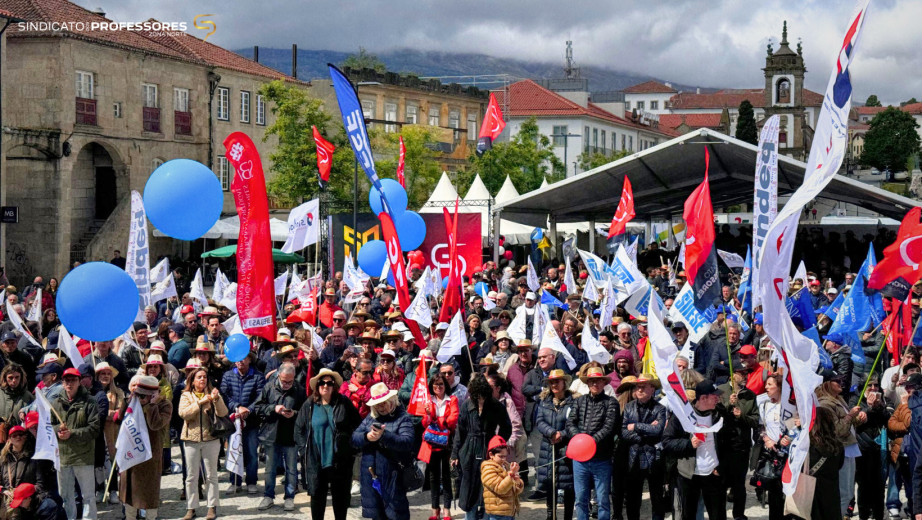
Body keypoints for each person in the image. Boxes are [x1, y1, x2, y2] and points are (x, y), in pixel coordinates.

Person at [295, 367, 361, 520]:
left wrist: (350, 445)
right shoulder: (309, 404)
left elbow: (358, 424)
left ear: (334, 386)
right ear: (317, 386)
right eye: (322, 383)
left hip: (340, 459)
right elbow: (299, 428)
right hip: (316, 458)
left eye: (329, 383)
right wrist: (304, 449)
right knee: (318, 497)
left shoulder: (343, 402)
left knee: (341, 499)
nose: (326, 386)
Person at [662, 379, 728, 520]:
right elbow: (667, 442)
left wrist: (722, 466)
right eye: (714, 396)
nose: (718, 398)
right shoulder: (682, 416)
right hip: (689, 475)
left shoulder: (720, 414)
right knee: (688, 514)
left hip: (713, 473)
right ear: (703, 398)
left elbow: (730, 442)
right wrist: (688, 444)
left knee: (718, 515)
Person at [453, 373, 513, 520]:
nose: (480, 398)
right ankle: (470, 517)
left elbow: (507, 427)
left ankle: (487, 517)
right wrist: (455, 454)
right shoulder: (467, 405)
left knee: (489, 485)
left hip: (488, 448)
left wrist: (497, 444)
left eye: (482, 394)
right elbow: (460, 431)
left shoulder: (496, 405)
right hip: (469, 449)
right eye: (477, 394)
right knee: (469, 487)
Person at [352, 382, 415, 520]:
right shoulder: (370, 418)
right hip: (371, 478)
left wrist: (384, 436)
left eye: (383, 402)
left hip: (393, 477)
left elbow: (407, 442)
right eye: (377, 403)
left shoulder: (403, 418)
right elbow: (354, 438)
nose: (380, 406)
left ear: (391, 400)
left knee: (396, 514)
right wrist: (366, 437)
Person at [566, 366, 621, 520]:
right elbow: (570, 423)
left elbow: (609, 427)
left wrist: (588, 442)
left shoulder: (611, 403)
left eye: (598, 381)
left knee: (603, 500)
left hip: (602, 458)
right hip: (580, 460)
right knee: (581, 499)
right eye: (592, 381)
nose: (595, 384)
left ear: (604, 383)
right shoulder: (579, 401)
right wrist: (579, 439)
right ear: (587, 383)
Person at [254, 362, 306, 511]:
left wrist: (294, 413)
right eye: (284, 381)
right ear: (278, 376)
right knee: (270, 469)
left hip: (290, 436)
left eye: (290, 381)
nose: (287, 384)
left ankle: (289, 497)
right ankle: (268, 496)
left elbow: (305, 412)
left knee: (291, 469)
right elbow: (257, 408)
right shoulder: (269, 387)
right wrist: (273, 408)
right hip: (271, 435)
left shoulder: (299, 390)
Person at [118, 375, 173, 520]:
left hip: (149, 457)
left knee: (149, 496)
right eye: (140, 394)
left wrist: (151, 405)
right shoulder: (133, 403)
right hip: (131, 454)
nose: (142, 398)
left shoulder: (165, 405)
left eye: (145, 395)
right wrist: (127, 401)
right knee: (129, 495)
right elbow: (119, 419)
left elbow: (155, 424)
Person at [178, 365, 229, 520]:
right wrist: (199, 403)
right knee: (191, 476)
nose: (202, 379)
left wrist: (217, 399)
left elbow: (223, 413)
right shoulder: (186, 395)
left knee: (211, 475)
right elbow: (184, 414)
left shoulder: (212, 395)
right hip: (191, 440)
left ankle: (212, 507)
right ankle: (191, 507)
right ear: (192, 381)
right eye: (199, 377)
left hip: (211, 439)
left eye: (204, 377)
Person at [51, 367, 101, 520]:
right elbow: (49, 427)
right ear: (62, 382)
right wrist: (58, 430)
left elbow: (94, 429)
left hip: (83, 456)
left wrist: (71, 433)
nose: (70, 383)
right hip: (63, 457)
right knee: (66, 496)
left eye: (73, 380)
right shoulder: (56, 403)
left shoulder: (90, 401)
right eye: (67, 380)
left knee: (88, 496)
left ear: (79, 382)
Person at [816, 369, 862, 518]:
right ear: (827, 384)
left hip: (849, 449)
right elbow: (836, 431)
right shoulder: (825, 403)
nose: (841, 382)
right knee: (843, 493)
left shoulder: (839, 399)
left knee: (848, 492)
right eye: (837, 380)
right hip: (840, 451)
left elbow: (846, 425)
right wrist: (850, 416)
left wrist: (857, 419)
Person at [219, 349, 266, 495]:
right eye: (237, 358)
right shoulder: (227, 375)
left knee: (252, 452)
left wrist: (248, 410)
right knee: (234, 451)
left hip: (251, 422)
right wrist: (237, 408)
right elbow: (224, 395)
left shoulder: (258, 377)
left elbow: (260, 397)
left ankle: (251, 482)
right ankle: (234, 482)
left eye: (243, 358)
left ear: (250, 359)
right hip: (233, 421)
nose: (240, 361)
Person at [621, 374, 667, 520]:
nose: (639, 390)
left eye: (643, 387)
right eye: (637, 387)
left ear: (652, 389)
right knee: (633, 498)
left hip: (654, 456)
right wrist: (644, 433)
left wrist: (635, 426)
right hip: (633, 456)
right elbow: (623, 432)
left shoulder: (659, 408)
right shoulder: (628, 407)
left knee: (657, 496)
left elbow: (658, 431)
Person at [718, 364, 759, 520]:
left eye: (746, 372)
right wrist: (728, 404)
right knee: (721, 484)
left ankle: (739, 515)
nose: (745, 375)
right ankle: (720, 515)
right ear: (732, 375)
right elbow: (716, 414)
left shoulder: (750, 395)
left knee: (739, 484)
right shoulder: (721, 390)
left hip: (741, 445)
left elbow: (755, 420)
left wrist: (741, 416)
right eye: (741, 373)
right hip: (723, 443)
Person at [419, 373, 460, 520]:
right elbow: (424, 422)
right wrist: (431, 416)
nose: (438, 387)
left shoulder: (452, 399)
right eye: (435, 385)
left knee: (447, 475)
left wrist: (437, 420)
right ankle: (434, 509)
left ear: (446, 385)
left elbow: (453, 419)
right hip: (432, 443)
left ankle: (447, 509)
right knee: (433, 476)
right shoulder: (428, 401)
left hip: (447, 442)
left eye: (441, 384)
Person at [535, 369, 575, 520]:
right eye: (551, 382)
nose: (554, 385)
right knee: (551, 484)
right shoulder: (544, 401)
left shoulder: (573, 401)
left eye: (557, 381)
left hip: (567, 448)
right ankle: (550, 515)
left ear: (564, 382)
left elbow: (575, 423)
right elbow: (539, 421)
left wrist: (562, 434)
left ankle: (568, 517)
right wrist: (552, 432)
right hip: (548, 447)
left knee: (568, 485)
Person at [850, 376, 889, 520]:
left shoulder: (882, 400)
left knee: (879, 487)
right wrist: (866, 411)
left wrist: (877, 407)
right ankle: (863, 516)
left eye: (876, 385)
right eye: (870, 385)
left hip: (879, 449)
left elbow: (887, 418)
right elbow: (851, 418)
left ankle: (878, 515)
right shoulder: (856, 399)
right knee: (864, 487)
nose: (873, 388)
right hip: (862, 449)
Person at [0, 426, 62, 517]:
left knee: (50, 505)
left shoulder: (34, 458)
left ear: (25, 437)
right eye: (15, 435)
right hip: (9, 499)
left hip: (28, 499)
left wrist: (25, 493)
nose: (18, 437)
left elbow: (41, 484)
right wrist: (4, 490)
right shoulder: (3, 459)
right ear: (9, 439)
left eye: (21, 435)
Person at [94, 361, 123, 505]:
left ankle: (113, 490)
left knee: (112, 461)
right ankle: (99, 489)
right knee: (98, 462)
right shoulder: (92, 392)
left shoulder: (118, 392)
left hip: (112, 432)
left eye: (108, 374)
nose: (105, 376)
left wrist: (105, 413)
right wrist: (108, 414)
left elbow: (120, 412)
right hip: (97, 432)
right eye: (102, 374)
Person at [811, 406, 846, 520]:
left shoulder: (808, 445)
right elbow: (840, 465)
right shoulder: (838, 445)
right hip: (831, 492)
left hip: (812, 492)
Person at [481, 435, 525, 520]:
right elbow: (500, 489)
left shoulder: (506, 466)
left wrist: (517, 481)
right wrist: (511, 474)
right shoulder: (488, 469)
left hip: (509, 511)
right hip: (497, 513)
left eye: (505, 456)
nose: (503, 459)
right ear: (491, 454)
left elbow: (516, 490)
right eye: (500, 456)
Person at [0, 363, 33, 435]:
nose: (14, 380)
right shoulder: (0, 394)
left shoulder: (27, 396)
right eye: (10, 377)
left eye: (17, 377)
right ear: (5, 378)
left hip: (20, 436)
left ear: (21, 378)